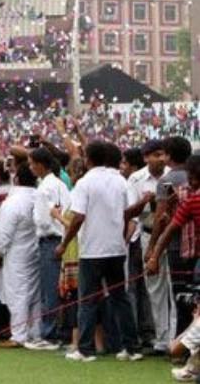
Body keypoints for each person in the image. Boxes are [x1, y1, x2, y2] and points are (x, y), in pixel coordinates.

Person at [56, 141, 142, 362]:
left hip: (92, 249)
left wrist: (65, 243)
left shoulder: (85, 183)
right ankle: (131, 347)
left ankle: (85, 349)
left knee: (87, 300)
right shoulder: (120, 181)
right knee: (119, 298)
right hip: (115, 247)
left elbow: (78, 216)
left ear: (88, 159)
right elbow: (128, 213)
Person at [0, 164, 56, 350]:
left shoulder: (13, 202)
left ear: (16, 179)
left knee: (17, 293)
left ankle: (19, 335)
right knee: (35, 293)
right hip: (35, 249)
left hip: (16, 252)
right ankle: (34, 332)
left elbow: (4, 233)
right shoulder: (37, 196)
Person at [145, 136, 191, 355]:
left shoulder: (166, 181)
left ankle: (179, 346)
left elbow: (160, 218)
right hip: (193, 244)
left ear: (169, 156)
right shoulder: (193, 176)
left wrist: (153, 247)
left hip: (176, 245)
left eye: (163, 153)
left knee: (179, 297)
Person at [128, 139, 167, 354]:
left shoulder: (171, 175)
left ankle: (173, 337)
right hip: (147, 234)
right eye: (156, 155)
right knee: (153, 289)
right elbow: (131, 213)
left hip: (172, 237)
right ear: (146, 157)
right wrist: (145, 202)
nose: (160, 158)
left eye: (162, 154)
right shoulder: (137, 178)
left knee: (173, 290)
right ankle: (160, 339)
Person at [29, 147, 70, 346]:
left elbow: (46, 218)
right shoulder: (59, 183)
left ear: (39, 164)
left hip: (50, 239)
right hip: (61, 238)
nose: (30, 167)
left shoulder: (46, 187)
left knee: (50, 289)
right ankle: (56, 331)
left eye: (31, 163)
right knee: (58, 288)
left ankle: (49, 333)